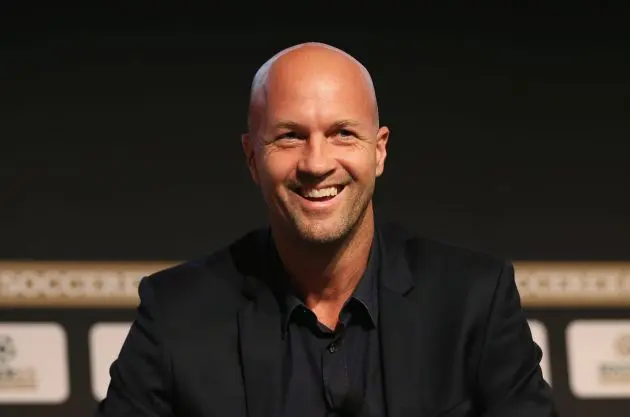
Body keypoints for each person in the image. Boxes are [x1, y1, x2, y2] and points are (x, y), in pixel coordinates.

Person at [95, 43, 558, 417]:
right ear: (253, 158)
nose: (317, 164)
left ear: (379, 151)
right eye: (290, 136)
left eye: (343, 134)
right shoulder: (177, 314)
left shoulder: (474, 299)